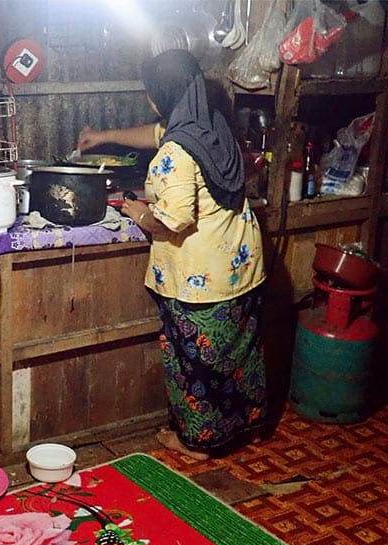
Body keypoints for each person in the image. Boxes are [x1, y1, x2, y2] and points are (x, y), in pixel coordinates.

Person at [77, 49, 267, 460]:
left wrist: (137, 210)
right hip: (240, 266)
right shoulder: (211, 124)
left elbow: (171, 221)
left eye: (151, 93)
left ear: (160, 94)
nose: (150, 101)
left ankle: (197, 442)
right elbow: (156, 132)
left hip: (200, 278)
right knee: (238, 352)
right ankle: (248, 424)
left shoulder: (176, 154)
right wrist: (104, 135)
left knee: (193, 360)